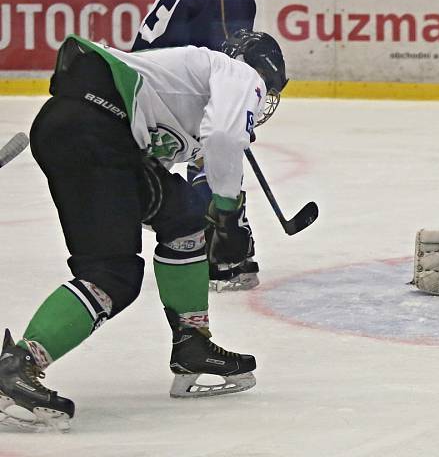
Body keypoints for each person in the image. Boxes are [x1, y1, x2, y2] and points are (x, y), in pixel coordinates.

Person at [0, 29, 288, 431]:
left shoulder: (190, 91)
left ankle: (193, 343)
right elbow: (225, 135)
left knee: (184, 216)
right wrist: (227, 211)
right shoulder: (239, 75)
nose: (262, 97)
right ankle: (17, 366)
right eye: (268, 87)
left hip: (98, 133)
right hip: (92, 132)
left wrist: (216, 209)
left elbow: (208, 155)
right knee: (112, 275)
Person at [133, 0, 294, 291]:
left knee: (205, 146)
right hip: (167, 85)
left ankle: (211, 237)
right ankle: (216, 249)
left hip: (146, 70)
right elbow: (230, 60)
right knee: (217, 143)